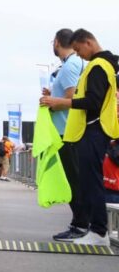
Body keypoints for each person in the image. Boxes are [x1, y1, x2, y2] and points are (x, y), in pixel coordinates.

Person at [41, 29, 119, 246]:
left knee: (91, 181)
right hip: (94, 130)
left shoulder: (98, 67)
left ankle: (98, 231)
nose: (79, 55)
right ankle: (96, 230)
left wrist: (61, 103)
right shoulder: (102, 65)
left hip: (93, 130)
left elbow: (93, 102)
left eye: (78, 50)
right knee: (89, 180)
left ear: (88, 42)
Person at [40, 28, 87, 242]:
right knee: (74, 179)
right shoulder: (72, 64)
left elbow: (71, 99)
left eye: (53, 42)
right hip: (68, 131)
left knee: (74, 180)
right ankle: (80, 223)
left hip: (68, 132)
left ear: (57, 42)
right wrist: (53, 96)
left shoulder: (69, 65)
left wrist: (52, 103)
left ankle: (80, 225)